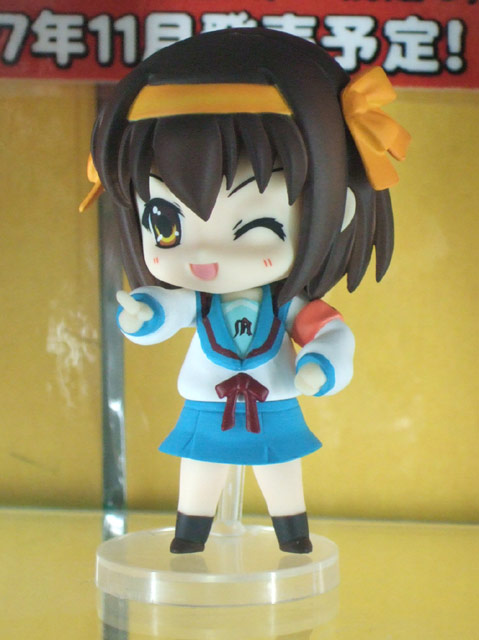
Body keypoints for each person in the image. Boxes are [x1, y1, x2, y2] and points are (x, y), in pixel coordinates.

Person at [81, 28, 409, 553]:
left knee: (281, 470)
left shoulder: (288, 307)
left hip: (273, 401)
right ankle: (190, 537)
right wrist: (143, 315)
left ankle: (292, 535)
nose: (205, 256)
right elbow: (166, 311)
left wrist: (322, 365)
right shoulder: (196, 300)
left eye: (256, 226)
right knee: (199, 469)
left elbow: (329, 333)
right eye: (166, 223)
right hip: (207, 404)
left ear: (336, 211)